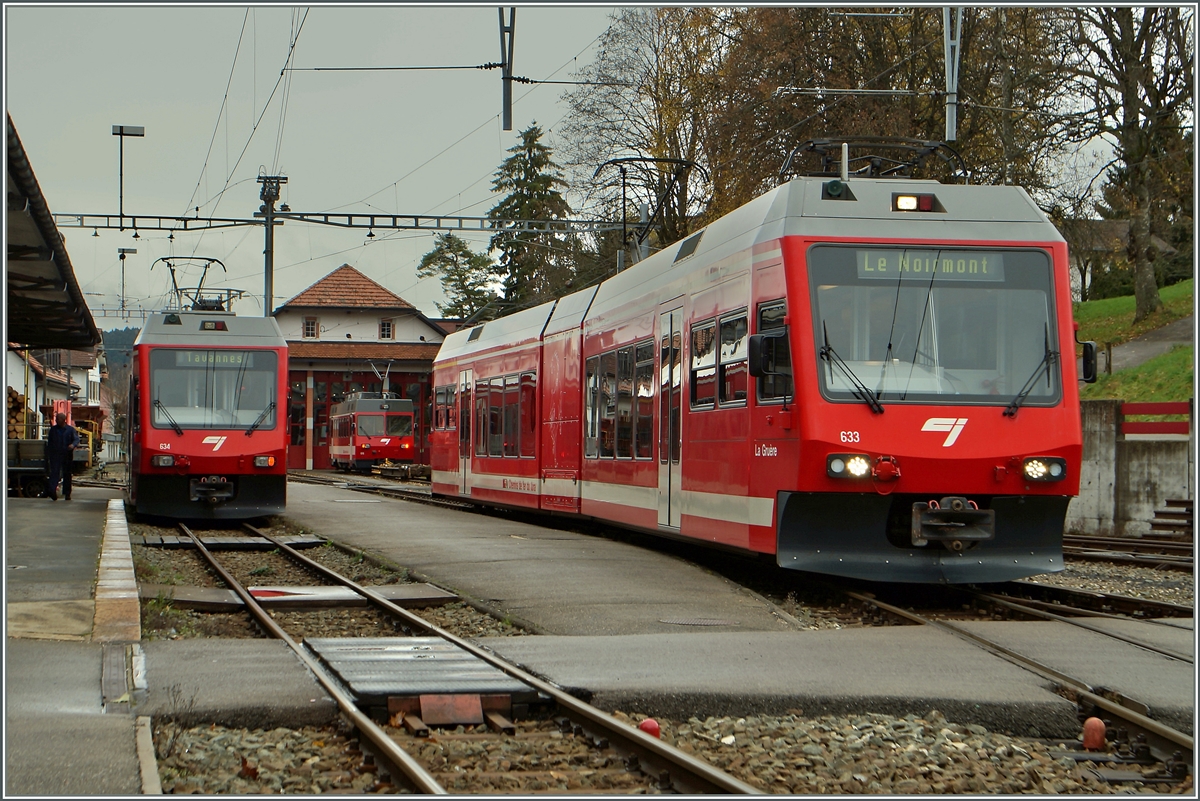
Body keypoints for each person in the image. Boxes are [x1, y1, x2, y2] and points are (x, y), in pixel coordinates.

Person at [46, 412, 80, 501]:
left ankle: (67, 493)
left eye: (58, 419)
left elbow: (76, 439)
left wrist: (73, 445)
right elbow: (50, 443)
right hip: (55, 454)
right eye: (56, 419)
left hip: (67, 454)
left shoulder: (70, 430)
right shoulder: (53, 430)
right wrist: (49, 454)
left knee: (67, 474)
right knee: (55, 473)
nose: (57, 421)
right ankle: (52, 491)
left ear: (64, 420)